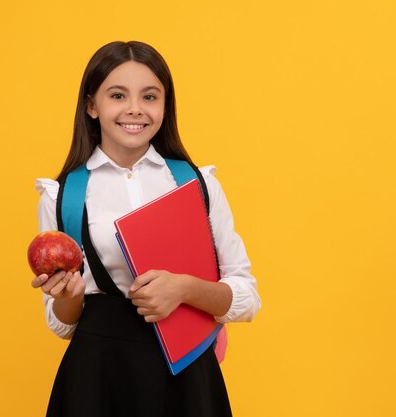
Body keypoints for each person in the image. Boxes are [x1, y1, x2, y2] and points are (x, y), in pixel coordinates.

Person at [32, 40, 261, 417]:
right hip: (98, 377)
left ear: (165, 106)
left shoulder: (196, 185)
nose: (135, 109)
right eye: (118, 95)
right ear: (92, 105)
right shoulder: (63, 196)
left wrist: (184, 288)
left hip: (187, 376)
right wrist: (67, 295)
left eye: (150, 96)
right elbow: (63, 324)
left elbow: (246, 297)